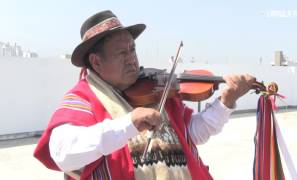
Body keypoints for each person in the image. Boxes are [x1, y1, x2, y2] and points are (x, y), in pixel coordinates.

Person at [34, 10, 256, 180]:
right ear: (96, 61)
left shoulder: (156, 90)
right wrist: (128, 124)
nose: (131, 59)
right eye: (121, 53)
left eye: (132, 49)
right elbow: (61, 152)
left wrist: (225, 102)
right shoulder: (82, 99)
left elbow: (192, 134)